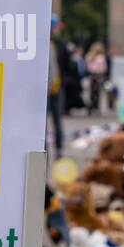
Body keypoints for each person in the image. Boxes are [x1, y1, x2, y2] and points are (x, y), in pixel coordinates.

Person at [47, 15, 67, 155]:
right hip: (56, 87)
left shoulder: (41, 43)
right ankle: (59, 147)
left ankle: (45, 147)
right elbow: (67, 65)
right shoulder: (60, 43)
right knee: (57, 119)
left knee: (44, 121)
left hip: (48, 88)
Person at [86, 41, 108, 112]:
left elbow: (88, 67)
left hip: (92, 75)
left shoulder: (90, 56)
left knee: (92, 91)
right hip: (98, 75)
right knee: (97, 91)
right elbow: (104, 68)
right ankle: (95, 106)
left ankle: (91, 105)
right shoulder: (101, 57)